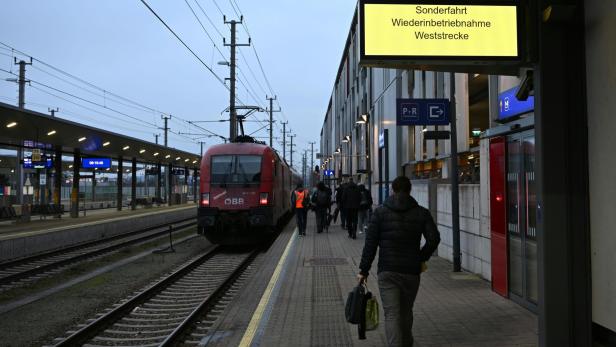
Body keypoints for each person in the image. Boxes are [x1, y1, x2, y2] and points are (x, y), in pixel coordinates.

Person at [358, 176, 440, 347]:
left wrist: (363, 271)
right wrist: (420, 257)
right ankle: (407, 342)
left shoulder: (380, 212)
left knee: (392, 314)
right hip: (411, 271)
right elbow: (434, 239)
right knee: (405, 311)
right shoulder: (421, 212)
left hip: (387, 271)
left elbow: (370, 244)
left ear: (392, 190)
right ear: (410, 190)